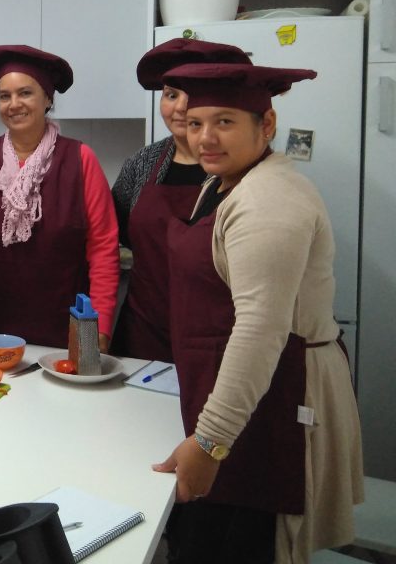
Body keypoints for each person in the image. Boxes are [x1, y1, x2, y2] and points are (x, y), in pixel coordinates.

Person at [152, 62, 364, 564]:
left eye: (224, 122)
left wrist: (210, 442)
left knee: (244, 544)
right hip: (243, 394)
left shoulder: (268, 199)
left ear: (265, 125)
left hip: (273, 401)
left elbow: (259, 330)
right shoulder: (225, 181)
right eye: (196, 123)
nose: (206, 138)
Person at [0, 45, 119, 350]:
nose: (14, 104)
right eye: (4, 96)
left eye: (25, 93)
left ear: (47, 98)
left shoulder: (80, 160)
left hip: (68, 330)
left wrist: (101, 329)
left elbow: (103, 248)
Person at [110, 38, 252, 361]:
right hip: (143, 333)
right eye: (171, 94)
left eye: (194, 94)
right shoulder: (141, 164)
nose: (181, 107)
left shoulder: (240, 169)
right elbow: (113, 233)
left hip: (219, 339)